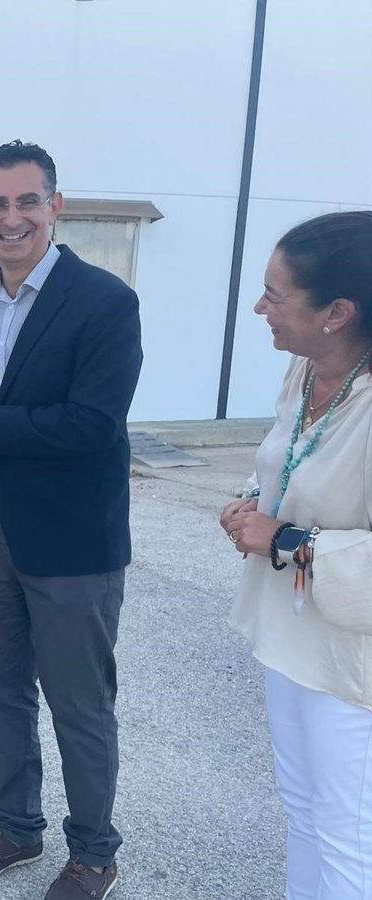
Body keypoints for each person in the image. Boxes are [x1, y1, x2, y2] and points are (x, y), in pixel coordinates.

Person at [0, 140, 141, 899]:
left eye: (27, 201)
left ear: (55, 205)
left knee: (80, 703)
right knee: (1, 691)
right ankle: (16, 827)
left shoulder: (106, 301)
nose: (11, 218)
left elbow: (93, 425)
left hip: (73, 542)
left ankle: (94, 853)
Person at [221, 211, 372, 900]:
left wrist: (285, 540)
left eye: (275, 295)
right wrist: (254, 500)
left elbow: (300, 533)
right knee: (305, 814)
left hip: (351, 663)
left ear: (337, 312)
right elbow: (289, 462)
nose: (260, 308)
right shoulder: (306, 371)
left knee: (349, 836)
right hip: (291, 634)